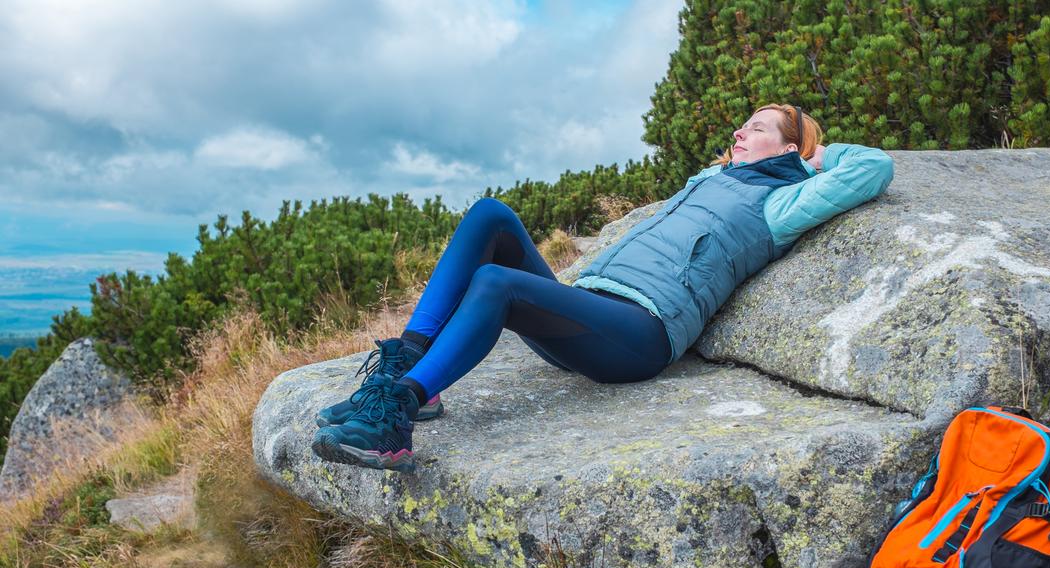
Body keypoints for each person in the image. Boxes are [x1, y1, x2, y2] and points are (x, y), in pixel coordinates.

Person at [312, 104, 894, 470]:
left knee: (495, 282)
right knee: (490, 215)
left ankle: (398, 418)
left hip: (640, 334)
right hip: (588, 306)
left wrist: (821, 157)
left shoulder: (782, 201)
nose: (741, 131)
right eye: (744, 123)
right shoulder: (710, 178)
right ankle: (400, 372)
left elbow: (873, 168)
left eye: (759, 127)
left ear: (793, 149)